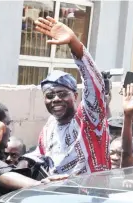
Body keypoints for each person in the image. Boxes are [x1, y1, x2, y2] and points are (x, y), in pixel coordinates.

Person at [24, 17, 109, 175]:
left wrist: (74, 44)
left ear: (75, 96)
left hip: (91, 195)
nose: (56, 99)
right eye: (50, 95)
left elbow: (95, 85)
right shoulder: (49, 128)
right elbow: (42, 155)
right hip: (57, 195)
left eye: (62, 93)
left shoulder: (88, 118)